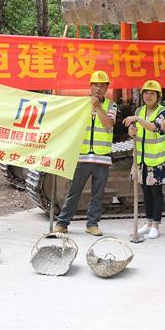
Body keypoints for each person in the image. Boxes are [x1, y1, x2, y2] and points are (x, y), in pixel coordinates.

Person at [54, 70, 118, 236]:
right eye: (95, 84)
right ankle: (62, 222)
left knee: (98, 194)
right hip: (82, 156)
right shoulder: (81, 104)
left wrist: (97, 107)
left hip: (101, 157)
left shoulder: (111, 105)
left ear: (106, 88)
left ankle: (92, 224)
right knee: (74, 192)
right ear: (90, 86)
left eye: (102, 85)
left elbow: (108, 124)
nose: (98, 88)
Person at [124, 79, 165, 239]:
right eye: (146, 92)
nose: (149, 96)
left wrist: (137, 120)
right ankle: (148, 222)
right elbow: (135, 134)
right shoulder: (139, 111)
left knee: (156, 192)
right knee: (145, 192)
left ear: (158, 96)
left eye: (152, 93)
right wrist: (132, 131)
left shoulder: (164, 112)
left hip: (156, 160)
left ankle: (156, 225)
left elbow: (155, 127)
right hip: (141, 159)